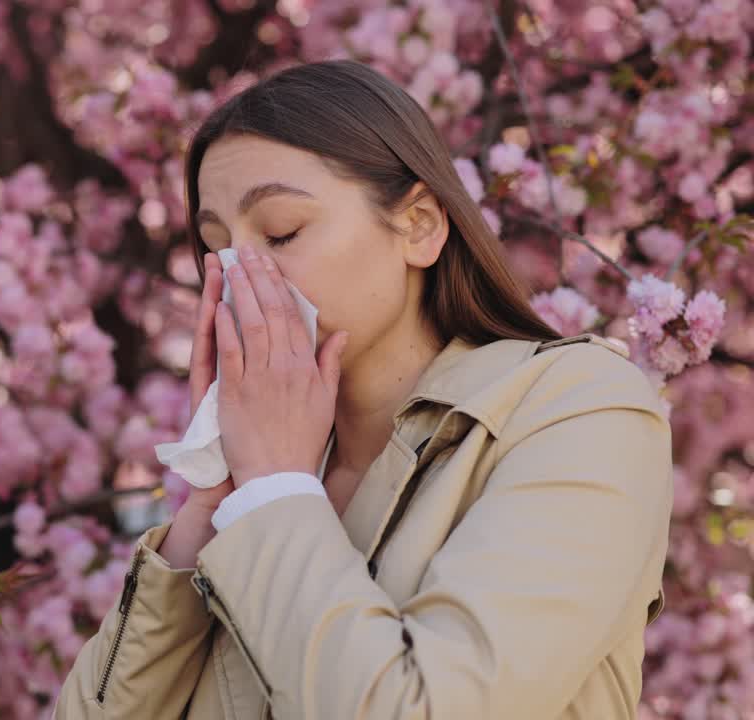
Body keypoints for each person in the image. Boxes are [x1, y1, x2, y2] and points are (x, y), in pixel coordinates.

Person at [52, 59, 672, 719]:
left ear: (420, 226)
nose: (239, 274)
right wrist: (215, 499)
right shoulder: (253, 495)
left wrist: (272, 491)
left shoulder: (578, 408)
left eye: (281, 231)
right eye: (214, 248)